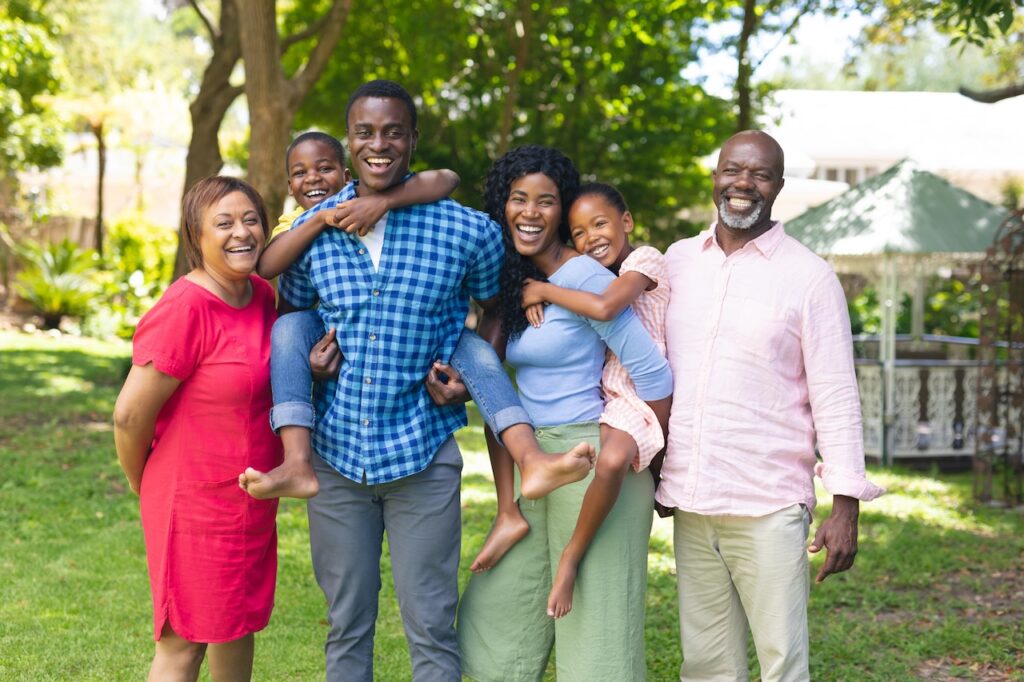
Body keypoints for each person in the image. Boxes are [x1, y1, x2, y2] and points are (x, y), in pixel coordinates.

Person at [275, 79, 516, 681]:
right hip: (334, 457)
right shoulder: (317, 230)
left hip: (422, 455)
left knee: (432, 625)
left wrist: (467, 372)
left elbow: (496, 307)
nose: (378, 144)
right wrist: (307, 366)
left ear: (412, 140)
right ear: (349, 140)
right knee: (346, 625)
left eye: (392, 132)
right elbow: (296, 315)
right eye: (364, 132)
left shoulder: (466, 231)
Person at [657, 130, 885, 681]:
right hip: (692, 500)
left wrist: (846, 503)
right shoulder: (678, 261)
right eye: (733, 170)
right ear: (715, 177)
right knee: (707, 665)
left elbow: (835, 393)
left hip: (769, 505)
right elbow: (649, 367)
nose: (743, 184)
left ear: (778, 187)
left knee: (782, 665)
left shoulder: (810, 277)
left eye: (759, 175)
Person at [456, 146, 672, 681]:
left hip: (588, 456)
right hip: (532, 462)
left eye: (546, 201)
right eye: (518, 199)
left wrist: (652, 453)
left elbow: (654, 375)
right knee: (494, 619)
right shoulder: (515, 280)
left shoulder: (583, 277)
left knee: (597, 642)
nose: (530, 211)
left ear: (561, 211)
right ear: (501, 206)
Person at [113, 176, 280, 681]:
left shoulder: (261, 296)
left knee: (236, 628)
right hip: (191, 499)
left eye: (250, 220)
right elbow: (128, 414)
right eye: (223, 223)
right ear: (196, 236)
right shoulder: (185, 307)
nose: (241, 233)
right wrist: (142, 481)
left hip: (249, 496)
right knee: (184, 643)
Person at [237, 130, 464, 500]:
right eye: (299, 172)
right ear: (290, 186)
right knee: (289, 327)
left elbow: (448, 179)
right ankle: (296, 460)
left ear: (347, 178)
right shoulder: (293, 222)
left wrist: (384, 202)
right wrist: (319, 219)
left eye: (324, 168)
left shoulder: (374, 208)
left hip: (376, 340)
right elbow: (266, 265)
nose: (311, 177)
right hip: (318, 333)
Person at [516, 181, 670, 618]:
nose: (590, 239)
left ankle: (571, 557)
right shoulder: (593, 272)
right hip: (612, 389)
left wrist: (544, 291)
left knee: (611, 461)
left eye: (600, 224)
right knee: (610, 463)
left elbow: (604, 308)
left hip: (639, 393)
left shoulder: (643, 260)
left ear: (627, 222)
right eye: (579, 232)